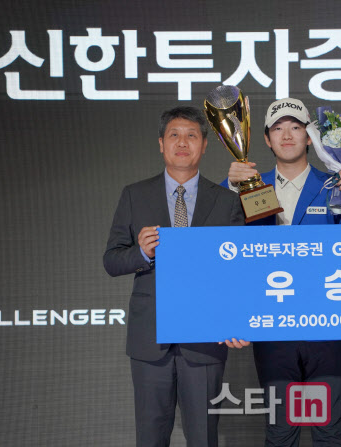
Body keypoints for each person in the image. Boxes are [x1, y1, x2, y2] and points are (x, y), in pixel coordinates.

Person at [103, 106, 246, 447]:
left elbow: (239, 271)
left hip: (206, 339)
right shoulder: (135, 195)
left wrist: (236, 318)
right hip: (150, 339)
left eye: (191, 136)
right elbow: (111, 260)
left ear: (204, 145)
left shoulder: (226, 201)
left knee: (203, 437)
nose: (183, 143)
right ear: (161, 144)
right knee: (150, 437)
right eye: (174, 135)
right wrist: (141, 253)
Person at [224, 97, 341, 446]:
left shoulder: (335, 185)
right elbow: (227, 250)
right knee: (280, 432)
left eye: (296, 127)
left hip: (327, 324)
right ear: (266, 139)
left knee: (330, 432)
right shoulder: (249, 185)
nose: (287, 135)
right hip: (272, 326)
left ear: (310, 137)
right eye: (278, 128)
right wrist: (231, 189)